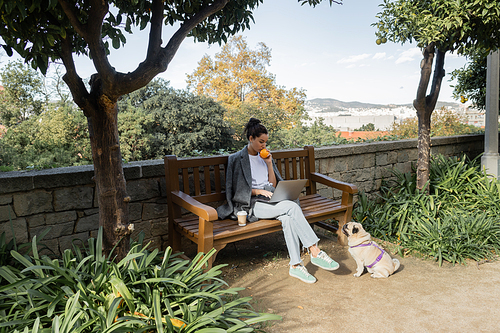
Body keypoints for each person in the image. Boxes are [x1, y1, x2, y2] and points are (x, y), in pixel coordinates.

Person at [216, 117, 339, 283]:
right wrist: (258, 191)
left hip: (270, 199)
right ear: (251, 139)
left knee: (288, 218)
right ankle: (314, 250)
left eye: (266, 142)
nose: (264, 146)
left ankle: (295, 265)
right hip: (252, 204)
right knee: (291, 208)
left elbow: (273, 184)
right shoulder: (237, 159)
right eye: (261, 142)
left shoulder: (265, 157)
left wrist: (268, 164)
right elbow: (236, 191)